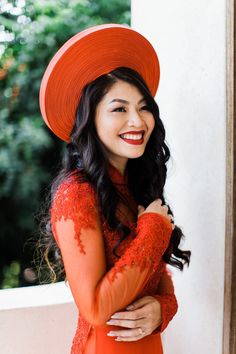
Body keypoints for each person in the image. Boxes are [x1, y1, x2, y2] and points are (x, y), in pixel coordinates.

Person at [38, 24, 191, 354]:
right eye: (119, 109)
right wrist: (152, 228)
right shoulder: (76, 194)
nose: (137, 121)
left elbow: (158, 284)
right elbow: (95, 308)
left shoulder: (137, 189)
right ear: (90, 118)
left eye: (143, 107)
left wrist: (164, 309)